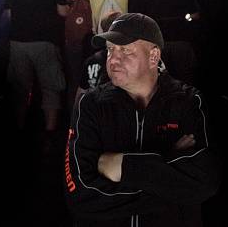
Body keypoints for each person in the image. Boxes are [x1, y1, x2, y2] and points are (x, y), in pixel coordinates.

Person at [65, 13, 220, 227]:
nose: (113, 59)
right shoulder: (90, 105)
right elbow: (81, 194)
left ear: (153, 56)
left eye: (125, 50)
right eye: (110, 49)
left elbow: (205, 181)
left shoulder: (188, 102)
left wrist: (123, 166)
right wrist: (168, 167)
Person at [6, 0, 70, 137]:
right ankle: (50, 130)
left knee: (20, 88)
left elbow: (9, 12)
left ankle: (19, 127)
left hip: (18, 41)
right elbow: (63, 11)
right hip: (45, 41)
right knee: (51, 87)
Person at [132, 0, 201, 85]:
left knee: (157, 83)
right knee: (183, 82)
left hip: (153, 43)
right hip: (180, 40)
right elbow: (196, 14)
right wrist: (186, 19)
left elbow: (137, 16)